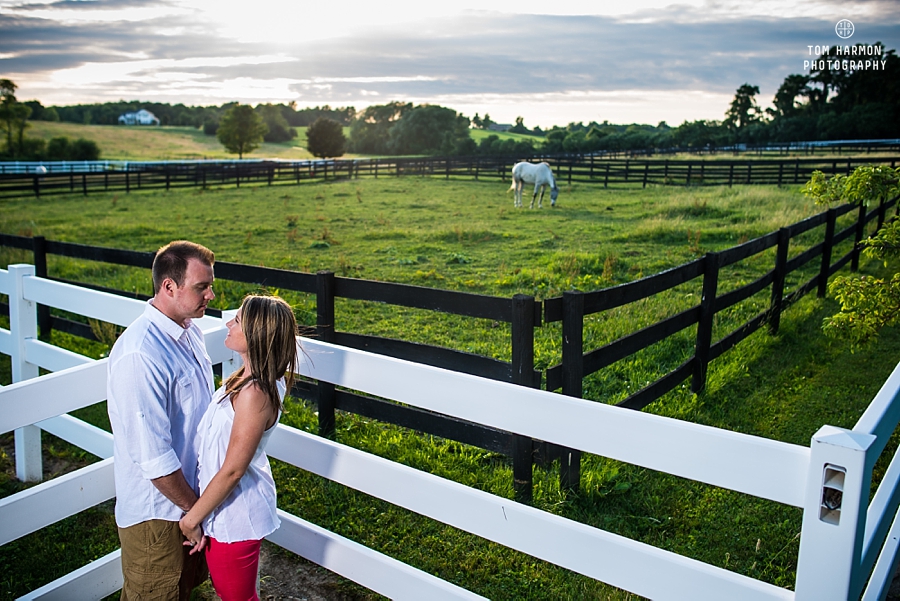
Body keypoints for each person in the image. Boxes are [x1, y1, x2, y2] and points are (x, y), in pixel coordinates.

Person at [107, 240, 216, 601]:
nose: (211, 295)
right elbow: (154, 457)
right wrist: (194, 510)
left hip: (188, 502)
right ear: (169, 287)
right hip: (159, 513)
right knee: (156, 592)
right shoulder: (141, 354)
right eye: (202, 287)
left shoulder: (189, 331)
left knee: (184, 589)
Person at [179, 294, 299, 601]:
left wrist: (192, 519)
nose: (229, 324)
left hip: (234, 516)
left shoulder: (255, 392)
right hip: (220, 510)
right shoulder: (245, 380)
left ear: (257, 334)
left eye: (238, 320)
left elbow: (233, 470)